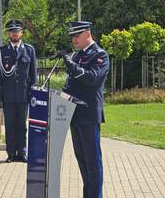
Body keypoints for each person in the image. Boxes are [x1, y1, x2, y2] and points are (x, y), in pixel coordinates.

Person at [62, 21, 109, 198]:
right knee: (82, 161)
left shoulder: (100, 55)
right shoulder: (77, 55)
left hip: (89, 115)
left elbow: (91, 79)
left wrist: (71, 65)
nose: (73, 39)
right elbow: (71, 84)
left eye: (76, 35)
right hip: (74, 114)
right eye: (72, 36)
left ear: (87, 34)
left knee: (93, 163)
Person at [0, 20, 37, 163]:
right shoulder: (2, 51)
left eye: (17, 31)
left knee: (22, 126)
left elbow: (33, 75)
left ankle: (22, 153)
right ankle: (11, 153)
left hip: (24, 95)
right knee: (10, 126)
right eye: (11, 31)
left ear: (21, 33)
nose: (14, 33)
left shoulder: (29, 50)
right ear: (8, 34)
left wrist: (33, 94)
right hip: (8, 96)